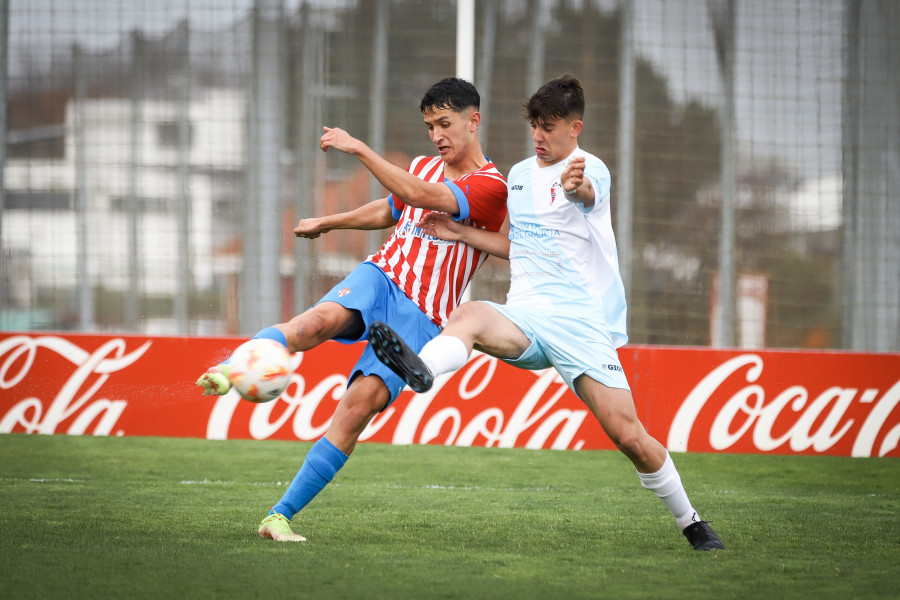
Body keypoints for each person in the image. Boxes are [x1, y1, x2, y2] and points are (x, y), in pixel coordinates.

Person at [368, 74, 725, 551]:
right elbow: (516, 246)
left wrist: (577, 187)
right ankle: (422, 370)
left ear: (575, 128)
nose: (539, 137)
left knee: (629, 436)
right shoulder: (517, 175)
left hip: (581, 322)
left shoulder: (589, 169)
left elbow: (587, 198)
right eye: (534, 126)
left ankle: (693, 523)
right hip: (527, 314)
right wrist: (460, 232)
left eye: (549, 128)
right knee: (471, 313)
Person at [196, 77, 508, 542]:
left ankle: (278, 517)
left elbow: (423, 198)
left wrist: (359, 149)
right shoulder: (424, 164)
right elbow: (393, 209)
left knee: (356, 409)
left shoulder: (491, 185)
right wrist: (330, 221)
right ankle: (233, 368)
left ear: (473, 120)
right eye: (429, 127)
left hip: (421, 316)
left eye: (445, 124)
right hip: (381, 275)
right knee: (314, 323)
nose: (437, 136)